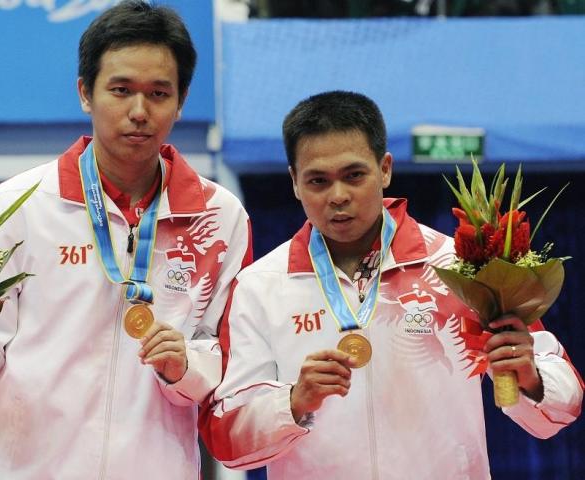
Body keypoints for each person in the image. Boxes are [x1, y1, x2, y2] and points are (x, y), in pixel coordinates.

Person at [0, 1, 252, 478]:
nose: (139, 111)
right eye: (120, 90)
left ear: (180, 102)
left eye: (159, 93)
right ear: (85, 93)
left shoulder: (219, 218)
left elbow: (231, 358)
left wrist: (187, 365)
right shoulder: (21, 205)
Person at [201, 90, 582, 478]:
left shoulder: (459, 268)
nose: (338, 196)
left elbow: (563, 405)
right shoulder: (259, 287)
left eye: (354, 175)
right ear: (294, 182)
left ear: (384, 168)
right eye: (318, 181)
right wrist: (294, 402)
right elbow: (227, 439)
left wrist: (530, 376)